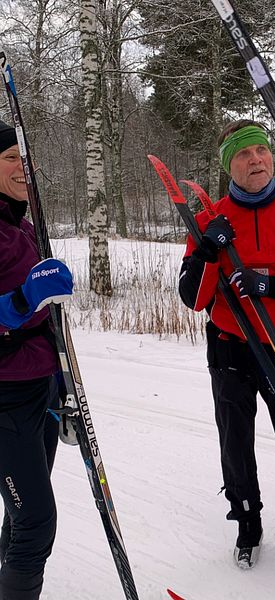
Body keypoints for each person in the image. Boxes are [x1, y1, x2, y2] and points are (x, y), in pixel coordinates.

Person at [178, 119, 275, 569]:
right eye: (245, 155)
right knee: (236, 444)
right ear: (230, 165)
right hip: (231, 349)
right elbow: (194, 298)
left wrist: (273, 285)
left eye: (261, 151)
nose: (257, 160)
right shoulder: (211, 219)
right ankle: (248, 522)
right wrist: (209, 250)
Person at [0, 120, 74, 600]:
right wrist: (24, 300)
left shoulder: (22, 226)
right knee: (35, 521)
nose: (21, 168)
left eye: (24, 159)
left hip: (40, 386)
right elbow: (19, 306)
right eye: (10, 158)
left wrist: (64, 388)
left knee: (21, 511)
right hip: (5, 397)